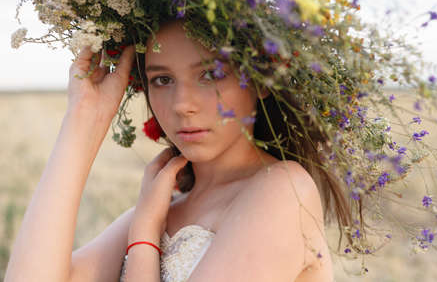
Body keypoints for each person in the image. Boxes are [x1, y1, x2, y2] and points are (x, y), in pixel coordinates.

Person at [5, 17, 334, 281]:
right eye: (162, 80)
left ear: (261, 79)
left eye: (209, 74)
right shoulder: (161, 206)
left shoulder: (283, 191)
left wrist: (145, 239)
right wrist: (83, 118)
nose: (182, 105)